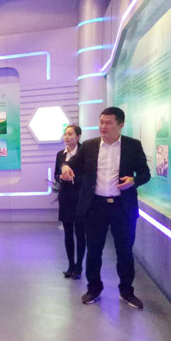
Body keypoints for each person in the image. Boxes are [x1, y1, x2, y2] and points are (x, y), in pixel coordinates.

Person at [61, 107, 150, 308]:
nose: (103, 126)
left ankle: (126, 291)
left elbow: (145, 174)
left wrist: (133, 181)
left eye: (108, 123)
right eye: (101, 122)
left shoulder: (132, 146)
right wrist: (65, 167)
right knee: (94, 250)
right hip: (95, 206)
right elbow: (72, 163)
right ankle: (94, 288)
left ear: (120, 125)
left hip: (122, 207)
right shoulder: (90, 146)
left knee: (125, 251)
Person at [54, 126, 85, 279]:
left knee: (80, 233)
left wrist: (73, 178)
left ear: (78, 136)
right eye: (65, 134)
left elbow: (88, 176)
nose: (66, 137)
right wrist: (61, 177)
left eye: (70, 134)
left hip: (79, 197)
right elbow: (56, 174)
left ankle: (79, 266)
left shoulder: (84, 153)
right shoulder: (60, 154)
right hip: (65, 197)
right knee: (67, 233)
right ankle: (70, 265)